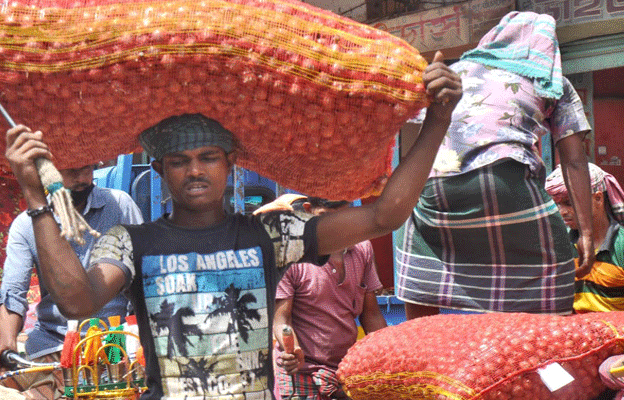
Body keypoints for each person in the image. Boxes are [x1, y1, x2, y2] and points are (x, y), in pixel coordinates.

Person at [3, 52, 461, 400]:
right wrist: (37, 200)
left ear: (231, 165)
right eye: (180, 162)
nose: (195, 171)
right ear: (161, 171)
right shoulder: (132, 241)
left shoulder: (270, 235)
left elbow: (386, 216)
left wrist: (437, 122)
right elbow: (77, 301)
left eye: (208, 158)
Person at [395, 11, 595, 318]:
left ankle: (417, 349)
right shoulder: (552, 83)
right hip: (502, 177)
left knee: (422, 256)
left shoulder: (456, 71)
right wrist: (586, 234)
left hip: (432, 186)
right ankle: (548, 352)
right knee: (555, 259)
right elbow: (575, 162)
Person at [0, 163, 144, 399]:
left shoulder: (119, 205)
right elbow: (13, 293)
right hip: (53, 345)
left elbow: (143, 275)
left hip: (114, 342)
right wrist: (6, 348)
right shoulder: (26, 224)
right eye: (70, 169)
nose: (82, 177)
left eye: (86, 168)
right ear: (45, 173)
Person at [270, 196, 387, 400]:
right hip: (301, 373)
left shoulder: (362, 249)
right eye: (326, 218)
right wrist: (293, 349)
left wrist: (389, 354)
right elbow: (281, 320)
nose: (335, 227)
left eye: (341, 217)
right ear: (309, 210)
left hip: (345, 370)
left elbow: (371, 315)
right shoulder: (289, 254)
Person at [545, 162, 624, 313]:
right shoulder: (558, 247)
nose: (562, 211)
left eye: (569, 203)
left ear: (598, 199)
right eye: (557, 204)